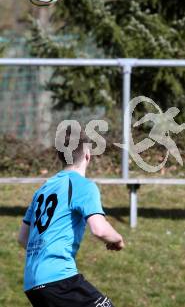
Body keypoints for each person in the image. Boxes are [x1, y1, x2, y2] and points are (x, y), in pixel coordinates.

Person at [17, 128, 125, 307]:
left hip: (32, 284)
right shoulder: (82, 185)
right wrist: (118, 239)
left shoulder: (42, 190)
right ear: (88, 155)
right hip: (59, 279)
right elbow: (99, 229)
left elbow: (22, 238)